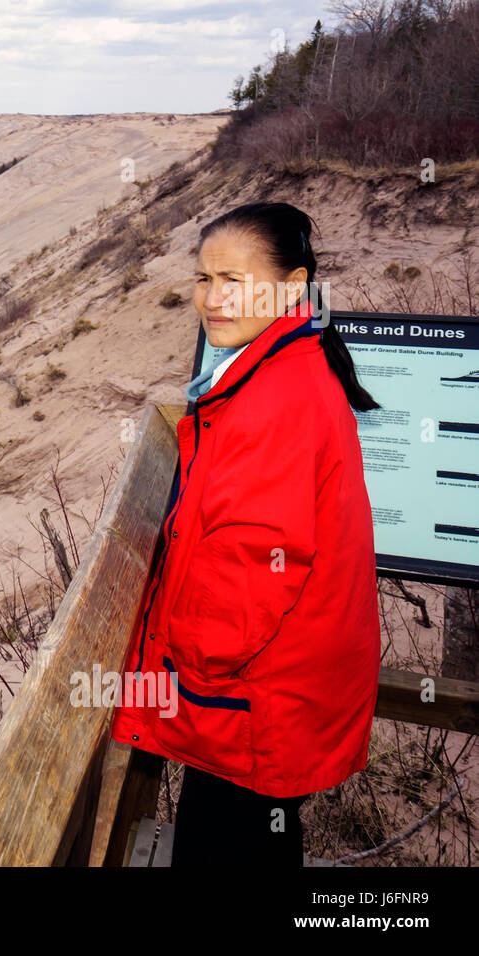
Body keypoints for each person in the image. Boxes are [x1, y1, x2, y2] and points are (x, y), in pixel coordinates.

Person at [108, 201, 383, 867]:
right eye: (204, 280)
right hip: (281, 681)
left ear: (291, 288)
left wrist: (187, 665)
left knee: (225, 838)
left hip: (254, 694)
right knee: (257, 833)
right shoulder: (286, 366)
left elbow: (257, 558)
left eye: (234, 280)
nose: (213, 298)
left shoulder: (277, 396)